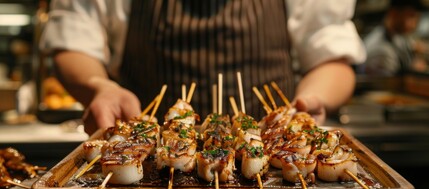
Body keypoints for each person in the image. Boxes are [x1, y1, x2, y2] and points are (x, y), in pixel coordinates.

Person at [40, 0, 366, 135]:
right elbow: (73, 37)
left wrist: (311, 100)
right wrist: (99, 85)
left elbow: (332, 55)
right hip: (145, 177)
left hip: (274, 184)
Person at [363, 0, 427, 76]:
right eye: (411, 16)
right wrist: (413, 71)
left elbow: (411, 45)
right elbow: (388, 83)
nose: (415, 23)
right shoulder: (380, 48)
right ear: (394, 14)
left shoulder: (398, 35)